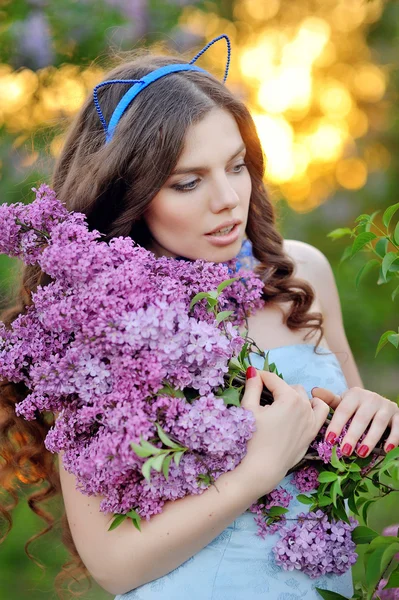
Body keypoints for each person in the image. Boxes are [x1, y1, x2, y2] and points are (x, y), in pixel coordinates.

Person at [1, 35, 398, 600]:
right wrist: (257, 472)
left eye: (237, 166)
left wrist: (374, 419)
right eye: (187, 182)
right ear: (130, 193)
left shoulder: (301, 277)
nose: (229, 199)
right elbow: (113, 566)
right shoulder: (90, 331)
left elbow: (348, 467)